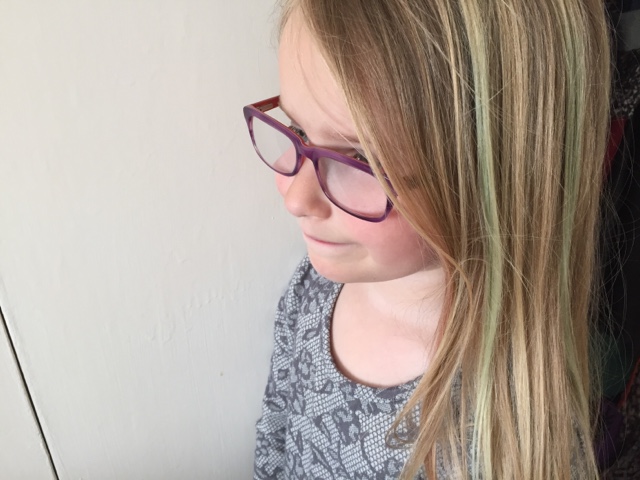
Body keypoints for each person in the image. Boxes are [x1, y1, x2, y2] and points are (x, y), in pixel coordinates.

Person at [244, 0, 612, 478]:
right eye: (296, 129)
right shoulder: (311, 292)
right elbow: (273, 440)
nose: (297, 198)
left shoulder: (503, 436)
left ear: (494, 178)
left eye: (361, 158)